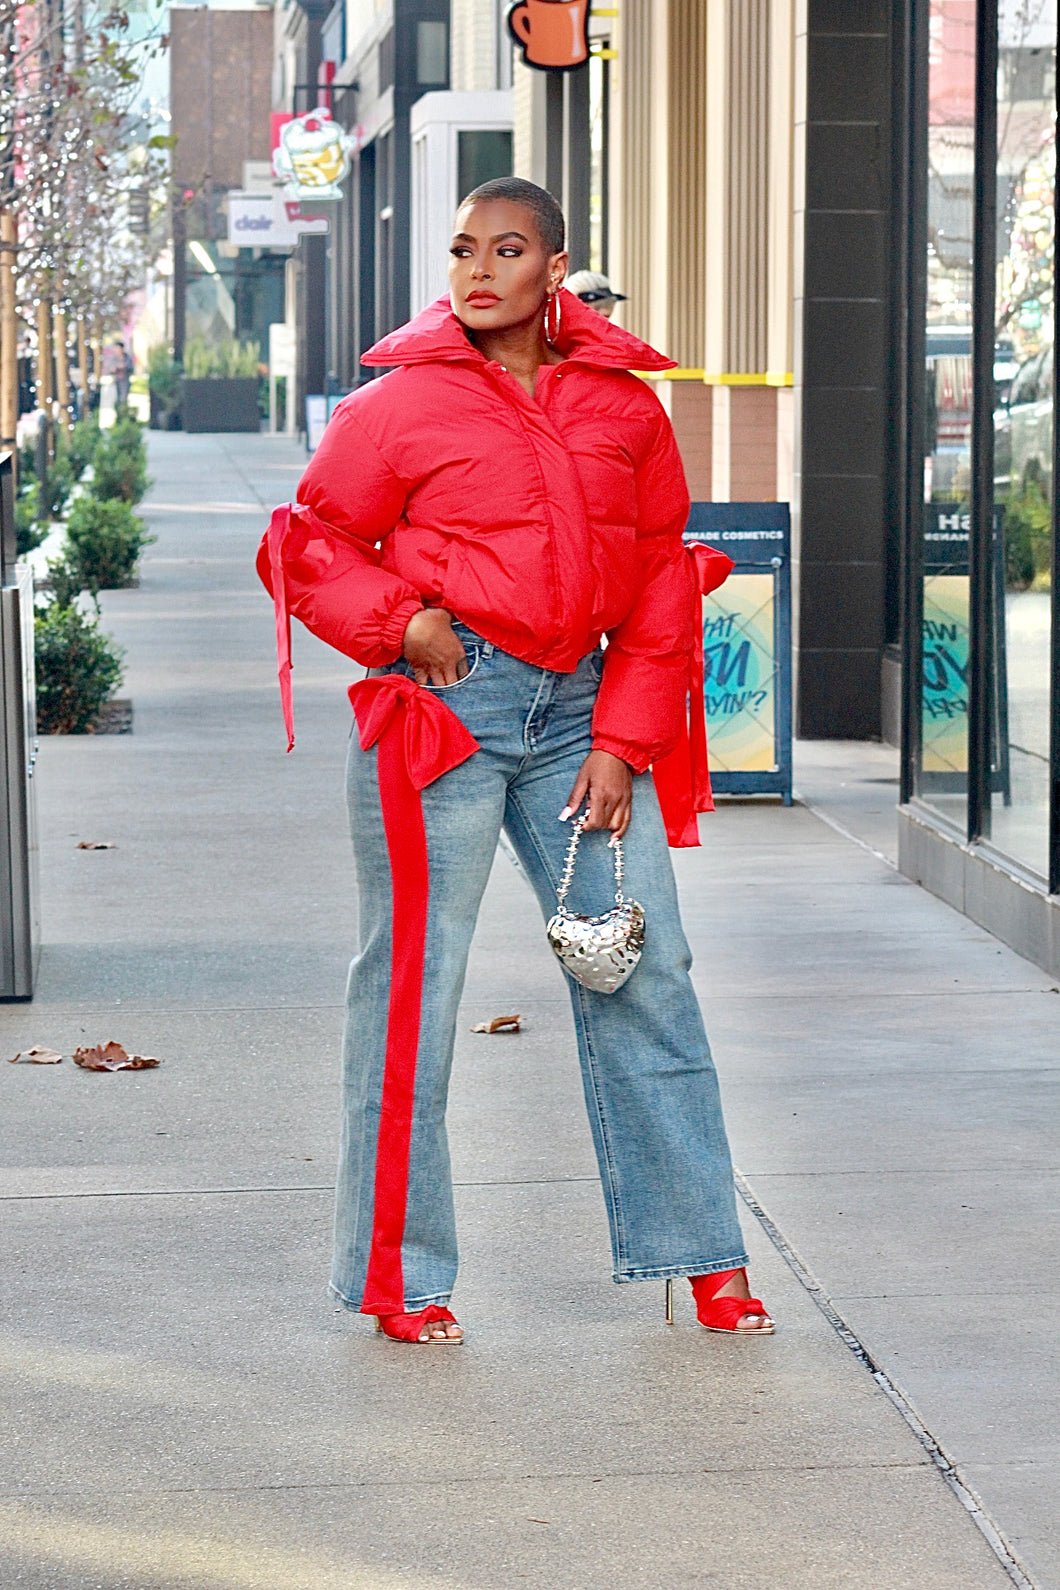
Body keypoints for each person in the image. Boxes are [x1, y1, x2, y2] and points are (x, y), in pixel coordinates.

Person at [259, 177, 773, 1345]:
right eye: (459, 250)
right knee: (411, 991)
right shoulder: (399, 407)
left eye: (505, 249)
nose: (477, 270)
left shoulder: (624, 411)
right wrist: (401, 624)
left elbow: (653, 584)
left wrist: (621, 742)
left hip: (578, 717)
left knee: (645, 970)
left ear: (555, 266)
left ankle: (702, 1257)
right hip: (441, 707)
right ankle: (403, 1275)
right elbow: (310, 540)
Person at [113, 339, 133, 408]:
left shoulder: (127, 358)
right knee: (117, 399)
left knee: (124, 398)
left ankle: (124, 412)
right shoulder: (114, 359)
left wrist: (124, 367)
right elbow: (109, 369)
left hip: (125, 381)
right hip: (116, 381)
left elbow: (131, 368)